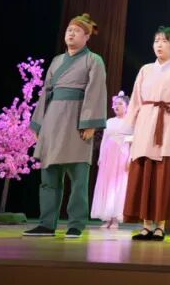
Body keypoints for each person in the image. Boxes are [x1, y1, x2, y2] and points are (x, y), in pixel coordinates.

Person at [24, 13, 108, 238]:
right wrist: (38, 124)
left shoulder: (94, 60)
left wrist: (90, 123)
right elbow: (46, 92)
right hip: (53, 120)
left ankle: (76, 224)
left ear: (87, 36)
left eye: (77, 31)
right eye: (69, 30)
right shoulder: (57, 61)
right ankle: (46, 223)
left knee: (79, 179)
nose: (71, 33)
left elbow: (96, 91)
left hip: (76, 120)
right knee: (49, 177)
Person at [123, 25, 170, 241]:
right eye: (156, 41)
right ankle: (146, 225)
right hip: (145, 124)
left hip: (167, 125)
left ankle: (160, 225)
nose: (159, 45)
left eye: (164, 41)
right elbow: (135, 101)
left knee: (163, 176)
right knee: (144, 173)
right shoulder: (145, 69)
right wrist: (130, 131)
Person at [91, 92, 131, 229]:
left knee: (118, 185)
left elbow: (133, 143)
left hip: (122, 156)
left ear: (127, 106)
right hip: (108, 156)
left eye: (120, 104)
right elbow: (104, 140)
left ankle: (115, 219)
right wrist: (101, 157)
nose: (116, 106)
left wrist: (130, 158)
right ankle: (107, 217)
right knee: (106, 185)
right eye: (115, 104)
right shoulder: (109, 121)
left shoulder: (130, 122)